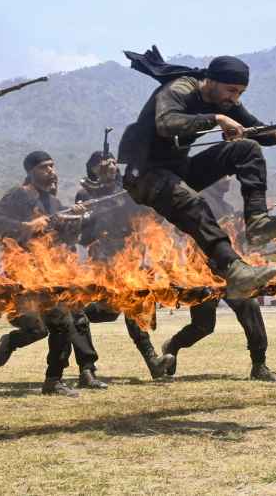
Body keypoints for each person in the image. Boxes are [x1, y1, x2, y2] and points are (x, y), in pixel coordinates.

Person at [118, 48, 276, 300]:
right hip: (144, 176)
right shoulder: (179, 89)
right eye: (231, 90)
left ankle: (258, 223)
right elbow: (166, 123)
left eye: (240, 93)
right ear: (212, 81)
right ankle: (234, 269)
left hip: (177, 169)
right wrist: (216, 119)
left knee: (246, 148)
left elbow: (252, 128)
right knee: (192, 203)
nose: (234, 98)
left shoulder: (225, 100)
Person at [156, 179, 276, 382]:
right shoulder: (195, 204)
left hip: (229, 272)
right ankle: (172, 345)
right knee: (204, 326)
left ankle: (259, 365)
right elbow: (185, 234)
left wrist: (241, 225)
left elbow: (235, 241)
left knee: (249, 306)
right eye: (222, 177)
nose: (227, 181)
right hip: (202, 272)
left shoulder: (227, 207)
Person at [0, 151, 93, 396]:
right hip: (21, 272)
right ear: (31, 171)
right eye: (45, 167)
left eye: (52, 166)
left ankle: (53, 380)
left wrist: (75, 219)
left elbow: (64, 239)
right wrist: (24, 227)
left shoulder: (54, 203)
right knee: (36, 330)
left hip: (48, 273)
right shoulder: (18, 195)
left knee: (62, 323)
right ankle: (12, 341)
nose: (51, 171)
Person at [74, 149, 175, 380]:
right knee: (117, 307)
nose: (110, 164)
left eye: (112, 161)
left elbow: (147, 215)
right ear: (93, 169)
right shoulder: (86, 193)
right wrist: (94, 213)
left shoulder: (127, 189)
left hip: (130, 256)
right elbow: (84, 234)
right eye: (103, 163)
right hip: (104, 260)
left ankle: (153, 363)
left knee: (125, 306)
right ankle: (69, 322)